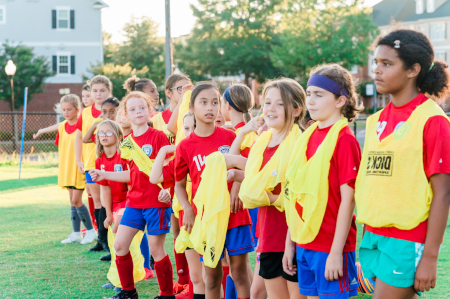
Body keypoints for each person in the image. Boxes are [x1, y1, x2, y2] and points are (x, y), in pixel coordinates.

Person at [355, 29, 450, 299]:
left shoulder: (432, 120)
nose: (376, 70)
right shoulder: (375, 121)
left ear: (413, 70)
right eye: (375, 62)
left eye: (387, 64)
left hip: (406, 239)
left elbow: (443, 194)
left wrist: (430, 256)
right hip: (373, 237)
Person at [283, 63, 363, 299]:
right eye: (309, 94)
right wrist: (291, 243)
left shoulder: (344, 139)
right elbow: (294, 195)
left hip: (331, 247)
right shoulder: (307, 136)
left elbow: (349, 200)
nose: (311, 101)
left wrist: (336, 252)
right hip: (304, 242)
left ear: (340, 101)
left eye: (319, 95)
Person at [89, 91, 175, 299]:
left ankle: (166, 294)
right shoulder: (126, 142)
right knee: (119, 245)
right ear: (126, 114)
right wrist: (103, 173)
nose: (138, 111)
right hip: (134, 203)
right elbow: (131, 173)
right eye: (133, 109)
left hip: (156, 202)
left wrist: (168, 191)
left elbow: (170, 167)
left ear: (149, 110)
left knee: (157, 251)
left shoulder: (158, 136)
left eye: (142, 107)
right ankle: (128, 293)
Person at [174, 82, 253, 299]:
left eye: (215, 102)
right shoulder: (185, 146)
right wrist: (188, 208)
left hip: (234, 213)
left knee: (239, 272)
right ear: (192, 107)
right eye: (204, 102)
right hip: (207, 218)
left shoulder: (229, 137)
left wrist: (236, 188)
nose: (210, 107)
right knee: (212, 277)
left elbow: (245, 166)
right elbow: (179, 185)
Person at [234, 78, 306, 299]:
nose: (270, 109)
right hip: (268, 234)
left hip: (294, 234)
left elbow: (297, 194)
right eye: (267, 103)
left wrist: (270, 197)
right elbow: (255, 183)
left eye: (279, 104)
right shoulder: (261, 142)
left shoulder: (301, 143)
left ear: (296, 110)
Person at [150, 110, 196, 299]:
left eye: (194, 127)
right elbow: (156, 177)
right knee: (190, 250)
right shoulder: (181, 152)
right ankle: (190, 288)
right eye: (186, 128)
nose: (190, 132)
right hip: (187, 209)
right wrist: (163, 150)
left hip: (207, 210)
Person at [50, 94, 96, 244]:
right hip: (67, 168)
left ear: (77, 110)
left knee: (77, 200)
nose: (66, 112)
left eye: (69, 109)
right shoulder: (62, 127)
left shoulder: (82, 125)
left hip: (79, 168)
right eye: (63, 110)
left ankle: (90, 231)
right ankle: (76, 233)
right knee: (72, 201)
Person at [75, 75, 113, 251]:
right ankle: (102, 240)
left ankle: (112, 240)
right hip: (92, 163)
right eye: (95, 91)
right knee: (98, 203)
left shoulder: (113, 110)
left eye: (102, 90)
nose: (98, 94)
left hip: (112, 163)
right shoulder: (85, 112)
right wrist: (78, 159)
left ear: (109, 91)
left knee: (110, 202)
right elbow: (80, 137)